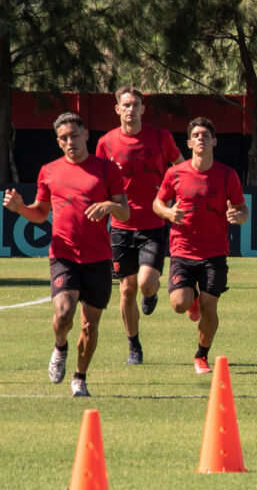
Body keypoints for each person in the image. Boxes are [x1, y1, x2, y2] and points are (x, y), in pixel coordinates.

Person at [3, 112, 129, 397]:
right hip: (64, 254)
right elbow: (40, 212)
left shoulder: (108, 170)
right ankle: (60, 346)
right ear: (58, 142)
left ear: (86, 134)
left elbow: (125, 210)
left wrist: (109, 205)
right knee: (64, 312)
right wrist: (20, 209)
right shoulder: (49, 171)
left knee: (89, 324)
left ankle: (80, 377)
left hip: (98, 258)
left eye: (74, 135)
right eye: (63, 138)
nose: (70, 141)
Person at [153, 117, 248, 375]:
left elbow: (242, 209)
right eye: (196, 135)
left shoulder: (227, 175)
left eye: (206, 134)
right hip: (183, 251)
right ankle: (191, 298)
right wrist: (169, 213)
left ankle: (201, 355)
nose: (201, 138)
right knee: (179, 304)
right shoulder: (175, 173)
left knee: (210, 307)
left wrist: (238, 216)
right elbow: (157, 203)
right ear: (189, 142)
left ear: (214, 141)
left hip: (215, 252)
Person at [96, 85, 183, 365]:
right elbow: (98, 182)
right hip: (120, 229)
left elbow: (181, 168)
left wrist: (177, 198)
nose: (131, 109)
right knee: (126, 289)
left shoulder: (160, 138)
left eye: (136, 104)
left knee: (145, 284)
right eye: (126, 104)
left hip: (153, 224)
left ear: (143, 109)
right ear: (117, 109)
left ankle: (152, 293)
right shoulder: (106, 143)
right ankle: (134, 346)